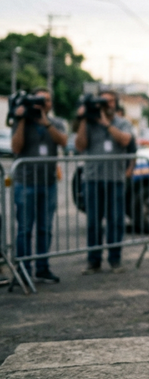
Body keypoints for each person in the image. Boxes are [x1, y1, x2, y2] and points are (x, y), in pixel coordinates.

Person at [11, 87, 67, 283]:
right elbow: (16, 148)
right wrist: (22, 120)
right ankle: (24, 269)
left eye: (47, 100)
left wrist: (47, 123)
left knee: (45, 228)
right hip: (25, 183)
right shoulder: (22, 121)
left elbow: (64, 141)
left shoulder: (56, 122)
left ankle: (43, 267)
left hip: (48, 182)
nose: (43, 103)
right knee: (25, 228)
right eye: (39, 100)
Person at [75, 90, 134, 274]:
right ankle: (94, 261)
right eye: (103, 101)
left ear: (116, 104)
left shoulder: (122, 123)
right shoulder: (89, 124)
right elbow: (79, 145)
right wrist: (85, 118)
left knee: (115, 221)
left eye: (110, 101)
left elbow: (125, 140)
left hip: (115, 179)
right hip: (92, 179)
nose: (107, 104)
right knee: (93, 222)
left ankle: (115, 259)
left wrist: (106, 124)